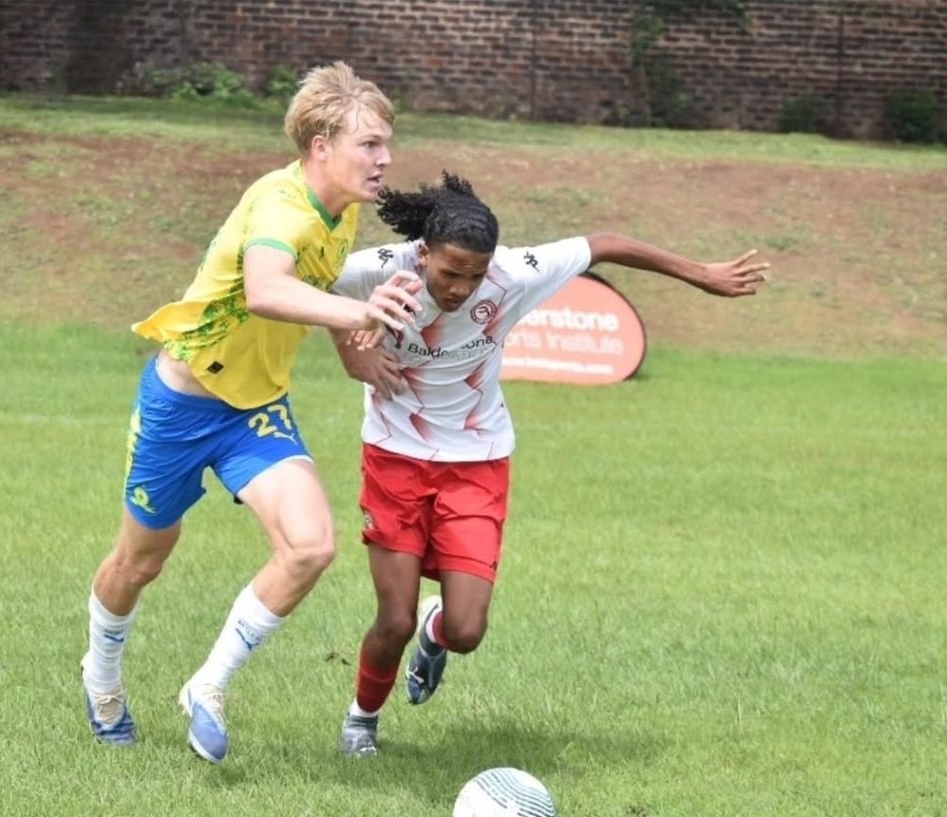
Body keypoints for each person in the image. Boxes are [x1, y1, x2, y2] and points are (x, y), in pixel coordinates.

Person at [328, 172, 769, 757]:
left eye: (474, 275)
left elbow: (604, 244)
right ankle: (361, 722)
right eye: (450, 272)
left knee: (466, 631)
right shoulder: (381, 268)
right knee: (394, 621)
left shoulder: (515, 275)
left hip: (477, 462)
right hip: (394, 455)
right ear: (424, 252)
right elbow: (307, 281)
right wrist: (349, 353)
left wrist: (701, 274)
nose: (461, 289)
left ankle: (438, 631)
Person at [79, 61, 423, 764]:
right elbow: (268, 287)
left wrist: (348, 349)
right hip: (181, 405)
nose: (385, 158)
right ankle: (101, 675)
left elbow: (317, 280)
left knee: (310, 545)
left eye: (386, 143)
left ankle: (207, 683)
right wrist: (361, 315)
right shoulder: (280, 207)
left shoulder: (340, 208)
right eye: (370, 144)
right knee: (141, 561)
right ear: (321, 146)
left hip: (255, 409)